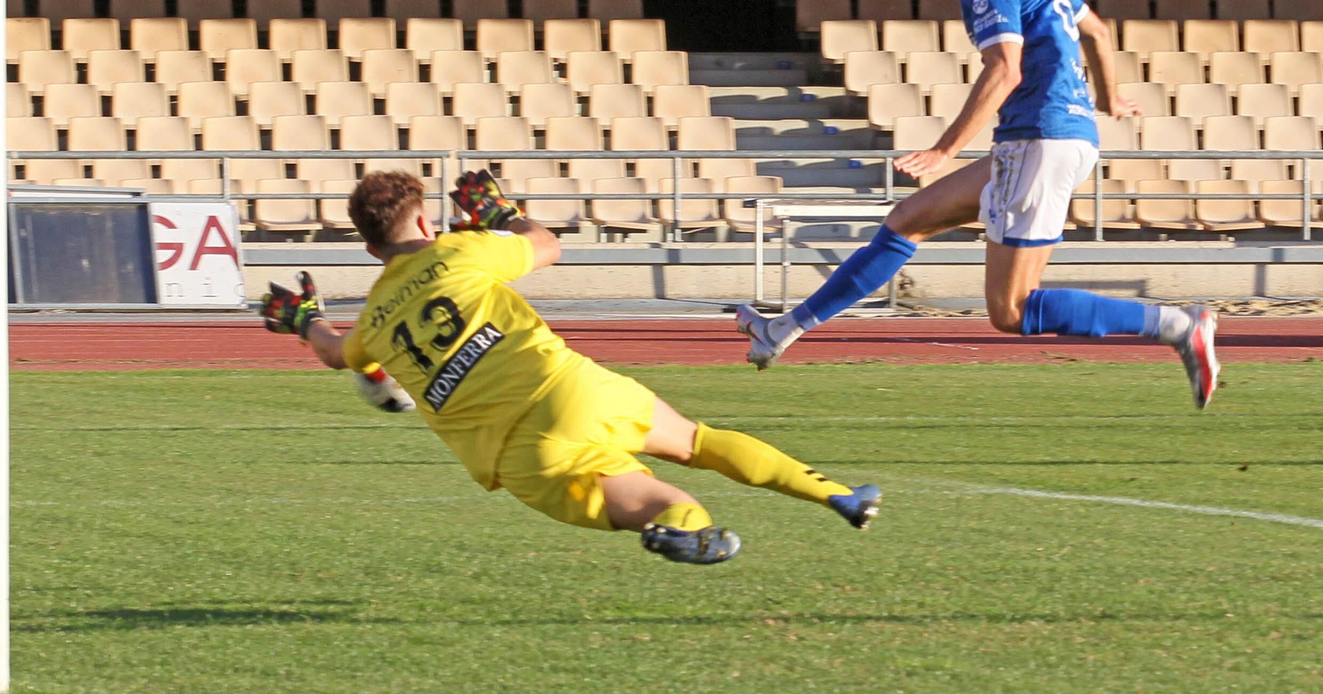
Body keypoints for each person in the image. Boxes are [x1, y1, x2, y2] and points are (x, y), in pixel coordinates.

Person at [738, 0, 1221, 408]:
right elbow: (1097, 30)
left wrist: (946, 149)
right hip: (1050, 135)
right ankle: (782, 331)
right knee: (906, 221)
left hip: (1039, 139)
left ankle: (1182, 325)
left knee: (1010, 310)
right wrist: (1108, 99)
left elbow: (1005, 67)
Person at [259, 169, 881, 564]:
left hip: (520, 458)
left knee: (672, 503)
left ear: (370, 250)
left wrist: (303, 317)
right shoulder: (459, 250)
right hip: (571, 391)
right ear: (424, 220)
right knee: (700, 442)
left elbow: (334, 352)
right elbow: (548, 246)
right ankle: (841, 496)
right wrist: (501, 213)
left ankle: (684, 527)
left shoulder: (372, 321)